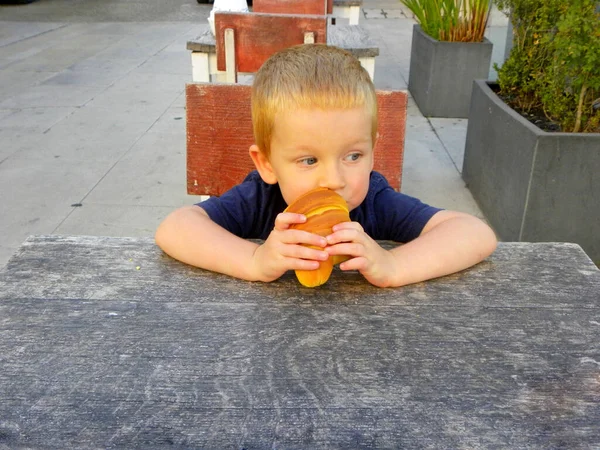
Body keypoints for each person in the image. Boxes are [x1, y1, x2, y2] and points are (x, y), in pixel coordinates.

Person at [155, 44, 497, 288]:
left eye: (353, 156)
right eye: (308, 160)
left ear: (373, 152)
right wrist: (254, 260)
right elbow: (175, 228)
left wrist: (394, 264)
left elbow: (474, 234)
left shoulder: (374, 201)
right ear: (267, 164)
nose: (335, 180)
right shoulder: (261, 198)